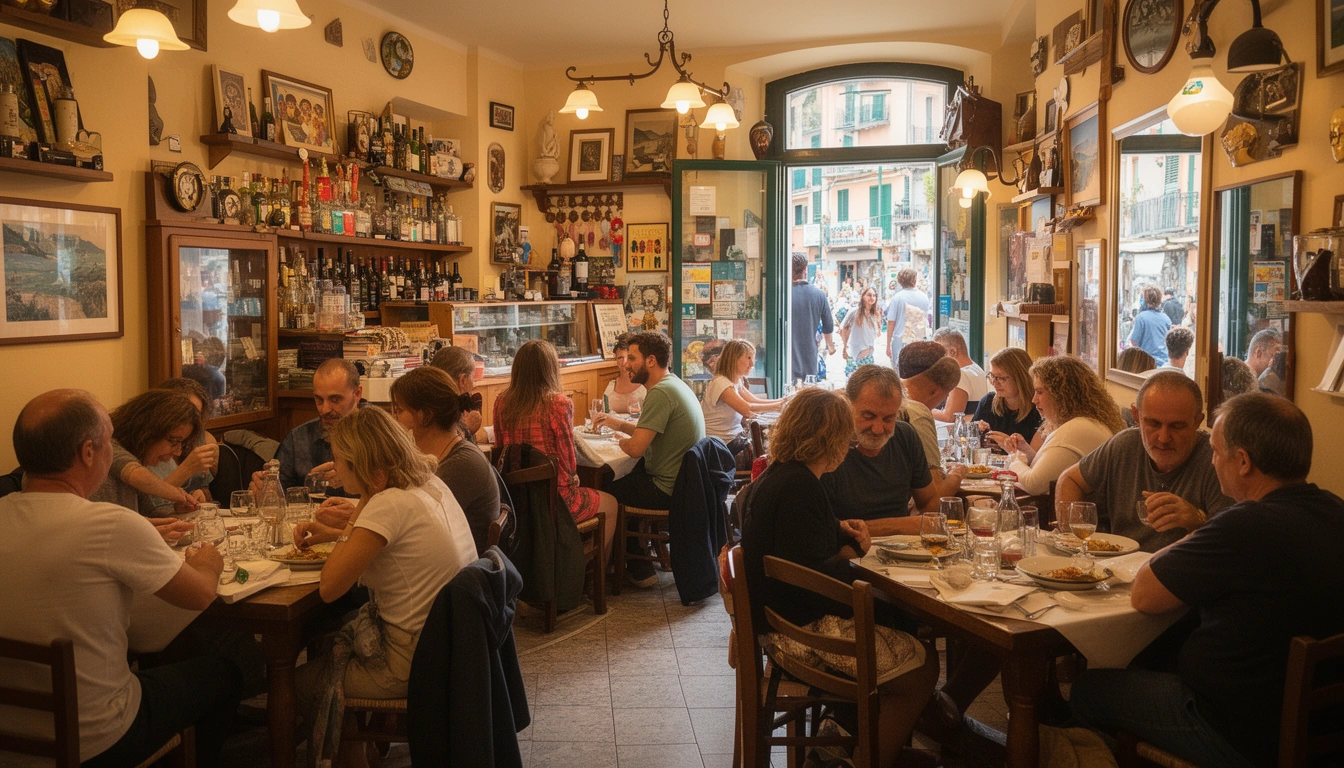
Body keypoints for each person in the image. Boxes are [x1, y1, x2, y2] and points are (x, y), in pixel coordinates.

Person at [1070, 393, 1344, 767]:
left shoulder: (1244, 525)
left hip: (1232, 730)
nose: (1213, 461)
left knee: (1088, 688)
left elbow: (1144, 595)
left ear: (1243, 461)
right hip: (1320, 724)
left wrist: (1199, 529)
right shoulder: (1335, 509)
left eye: (1215, 451)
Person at [0, 390, 241, 768]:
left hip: (10, 741)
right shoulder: (110, 524)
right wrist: (208, 561)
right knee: (222, 674)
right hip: (96, 740)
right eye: (110, 443)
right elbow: (200, 594)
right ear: (88, 453)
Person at [739, 387, 938, 768]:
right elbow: (812, 582)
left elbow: (801, 544)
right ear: (831, 440)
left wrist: (840, 533)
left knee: (896, 626)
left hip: (778, 620)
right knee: (923, 667)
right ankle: (868, 757)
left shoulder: (784, 475)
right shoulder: (801, 487)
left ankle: (846, 740)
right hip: (798, 633)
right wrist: (857, 572)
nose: (850, 444)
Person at [293, 407, 478, 763]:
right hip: (449, 646)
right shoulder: (427, 482)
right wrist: (338, 529)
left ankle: (352, 757)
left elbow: (329, 587)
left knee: (298, 684)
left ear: (368, 470)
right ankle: (360, 752)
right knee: (337, 639)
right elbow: (388, 543)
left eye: (340, 459)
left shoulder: (387, 503)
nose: (335, 467)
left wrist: (358, 511)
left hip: (411, 660)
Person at [1055, 372, 1232, 551]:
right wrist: (1076, 545)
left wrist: (1197, 520)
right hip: (1118, 563)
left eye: (1177, 426)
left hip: (1179, 567)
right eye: (1153, 424)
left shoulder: (1216, 460)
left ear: (1197, 421)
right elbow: (1069, 480)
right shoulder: (1124, 445)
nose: (1163, 438)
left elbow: (1232, 542)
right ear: (1136, 416)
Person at [594, 331, 706, 587]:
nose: (626, 364)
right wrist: (617, 424)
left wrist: (617, 440)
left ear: (651, 361)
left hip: (666, 488)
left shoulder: (660, 393)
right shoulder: (673, 384)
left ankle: (611, 568)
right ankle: (637, 563)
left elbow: (635, 448)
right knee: (629, 477)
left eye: (632, 358)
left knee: (605, 492)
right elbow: (648, 431)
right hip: (684, 484)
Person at [492, 340, 619, 547]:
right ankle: (585, 564)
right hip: (555, 501)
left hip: (516, 501)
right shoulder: (558, 404)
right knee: (611, 505)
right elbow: (567, 462)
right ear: (551, 369)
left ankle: (568, 558)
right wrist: (574, 478)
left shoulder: (501, 402)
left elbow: (500, 450)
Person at [389, 366, 501, 556]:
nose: (394, 418)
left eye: (399, 410)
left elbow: (407, 524)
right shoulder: (440, 454)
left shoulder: (460, 465)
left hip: (460, 570)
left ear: (425, 416)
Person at [822, 365, 941, 534]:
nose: (878, 429)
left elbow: (930, 502)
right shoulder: (828, 445)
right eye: (868, 416)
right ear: (848, 405)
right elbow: (822, 528)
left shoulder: (905, 436)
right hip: (848, 548)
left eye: (888, 419)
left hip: (903, 547)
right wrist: (903, 526)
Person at [1006, 356, 1126, 496]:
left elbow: (1035, 484)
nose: (1034, 400)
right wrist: (1027, 452)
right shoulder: (1085, 423)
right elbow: (1051, 469)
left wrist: (1014, 460)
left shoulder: (1077, 429)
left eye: (1040, 392)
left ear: (1061, 395)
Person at [255, 358, 363, 497]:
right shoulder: (298, 439)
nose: (325, 409)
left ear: (357, 394)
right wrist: (264, 491)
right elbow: (279, 494)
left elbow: (389, 495)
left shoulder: (378, 436)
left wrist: (355, 478)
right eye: (319, 399)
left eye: (335, 399)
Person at [91, 389, 207, 517]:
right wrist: (176, 494)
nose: (178, 452)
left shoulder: (137, 457)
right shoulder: (107, 446)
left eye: (182, 443)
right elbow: (133, 473)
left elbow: (148, 513)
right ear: (147, 430)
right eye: (173, 441)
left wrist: (176, 512)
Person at [142, 377, 220, 517]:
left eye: (197, 415)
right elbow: (144, 504)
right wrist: (186, 469)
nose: (192, 421)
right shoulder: (149, 445)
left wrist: (198, 496)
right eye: (186, 412)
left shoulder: (198, 440)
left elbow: (205, 490)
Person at [701, 339, 783, 458]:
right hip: (719, 446)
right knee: (771, 451)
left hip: (733, 439)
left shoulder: (735, 380)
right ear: (734, 359)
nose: (752, 363)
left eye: (753, 358)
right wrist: (780, 406)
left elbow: (753, 401)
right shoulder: (720, 383)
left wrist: (784, 401)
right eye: (749, 358)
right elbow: (747, 409)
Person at [973, 347, 1044, 451]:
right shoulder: (988, 402)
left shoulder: (1039, 410)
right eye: (992, 376)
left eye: (1001, 378)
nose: (994, 382)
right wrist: (976, 432)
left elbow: (1035, 458)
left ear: (1021, 378)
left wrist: (1009, 446)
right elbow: (967, 445)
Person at [790, 253, 834, 380]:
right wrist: (830, 346)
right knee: (807, 390)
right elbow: (828, 326)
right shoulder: (819, 295)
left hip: (786, 358)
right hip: (809, 357)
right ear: (805, 270)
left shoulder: (782, 295)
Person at [429, 345, 485, 440]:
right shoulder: (446, 411)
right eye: (473, 377)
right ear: (463, 380)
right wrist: (467, 430)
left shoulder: (427, 402)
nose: (474, 384)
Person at [898, 341, 963, 421]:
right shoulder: (919, 417)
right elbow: (949, 417)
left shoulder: (889, 401)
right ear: (934, 391)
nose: (947, 396)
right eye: (946, 394)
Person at [933, 327, 988, 417]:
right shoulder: (977, 369)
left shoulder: (960, 375)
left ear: (952, 352)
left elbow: (950, 416)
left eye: (939, 353)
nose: (937, 359)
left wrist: (924, 408)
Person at [885, 267, 931, 365]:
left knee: (900, 369)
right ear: (914, 279)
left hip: (900, 342)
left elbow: (891, 322)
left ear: (900, 281)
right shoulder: (924, 297)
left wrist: (888, 345)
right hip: (919, 341)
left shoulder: (897, 298)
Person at [839, 285, 883, 376]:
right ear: (863, 296)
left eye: (874, 295)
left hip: (869, 356)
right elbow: (843, 328)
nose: (872, 297)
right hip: (854, 355)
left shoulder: (875, 315)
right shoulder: (854, 312)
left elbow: (876, 334)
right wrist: (844, 347)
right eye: (869, 295)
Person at [601, 334, 647, 414]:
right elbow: (604, 412)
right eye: (620, 358)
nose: (624, 362)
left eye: (629, 357)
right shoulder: (611, 385)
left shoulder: (646, 385)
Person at [1129, 285, 1173, 366]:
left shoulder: (1141, 318)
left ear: (1145, 299)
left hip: (1146, 363)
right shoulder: (1166, 319)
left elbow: (1134, 341)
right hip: (1164, 363)